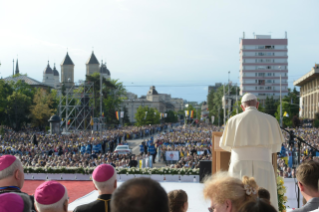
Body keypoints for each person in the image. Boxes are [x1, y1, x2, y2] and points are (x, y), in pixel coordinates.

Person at [219, 93, 284, 211]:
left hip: (239, 165)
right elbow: (275, 148)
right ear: (257, 104)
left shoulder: (233, 120)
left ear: (242, 106)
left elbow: (225, 145)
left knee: (238, 201)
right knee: (264, 200)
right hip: (264, 165)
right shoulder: (271, 120)